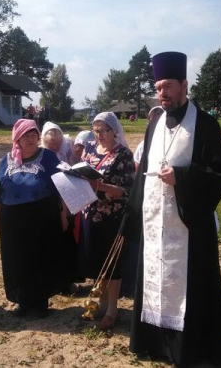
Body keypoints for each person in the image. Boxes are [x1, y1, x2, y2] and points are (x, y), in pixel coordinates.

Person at [119, 52, 221, 367]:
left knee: (191, 287)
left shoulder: (207, 125)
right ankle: (154, 343)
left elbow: (219, 170)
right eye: (157, 87)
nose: (162, 93)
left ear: (184, 85)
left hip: (188, 227)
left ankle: (190, 349)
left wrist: (181, 178)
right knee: (154, 280)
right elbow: (143, 175)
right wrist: (132, 215)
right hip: (156, 223)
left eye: (167, 86)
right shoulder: (154, 124)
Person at [0, 119, 67, 318]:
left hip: (42, 216)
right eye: (27, 135)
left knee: (40, 258)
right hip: (12, 219)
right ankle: (23, 302)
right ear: (17, 137)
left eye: (34, 134)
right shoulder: (5, 160)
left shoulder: (48, 158)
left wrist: (64, 215)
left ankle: (40, 303)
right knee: (16, 260)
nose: (32, 139)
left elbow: (63, 188)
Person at [79, 112, 135, 331]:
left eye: (104, 130)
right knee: (97, 261)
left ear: (114, 131)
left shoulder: (123, 154)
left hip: (112, 217)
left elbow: (127, 191)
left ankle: (112, 309)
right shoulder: (90, 149)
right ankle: (100, 303)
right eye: (96, 130)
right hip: (90, 215)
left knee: (113, 264)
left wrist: (99, 186)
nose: (99, 135)